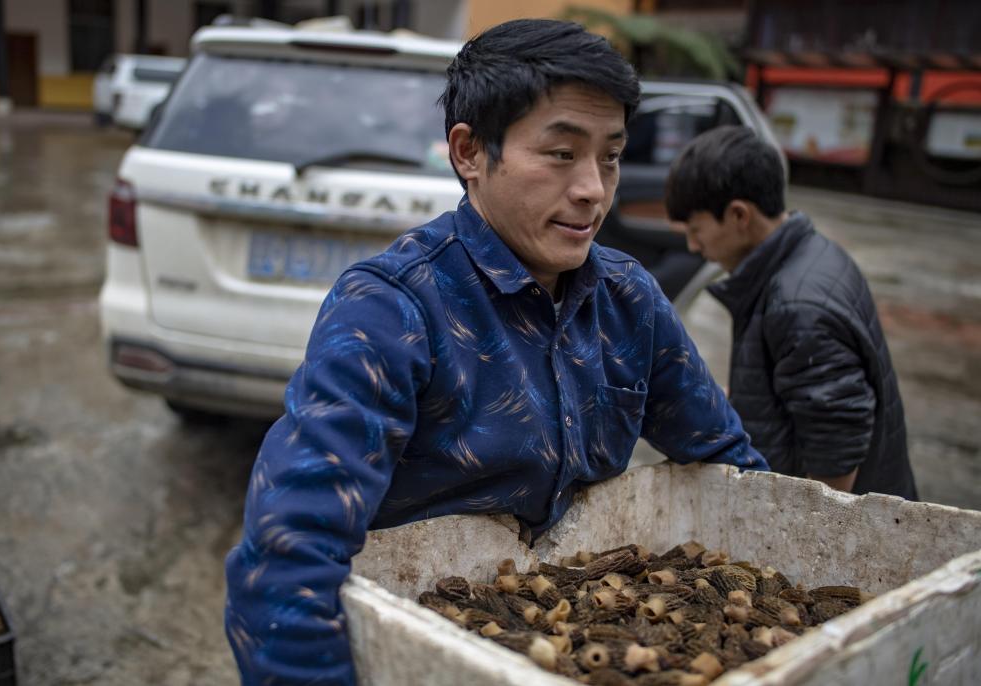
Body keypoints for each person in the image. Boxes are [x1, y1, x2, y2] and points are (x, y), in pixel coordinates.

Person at [225, 20, 768, 685]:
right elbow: (286, 562)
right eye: (562, 154)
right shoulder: (392, 311)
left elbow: (729, 468)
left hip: (568, 644)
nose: (594, 189)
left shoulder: (630, 300)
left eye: (611, 157)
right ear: (470, 153)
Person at [665, 125, 917, 499]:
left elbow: (836, 454)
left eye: (696, 229)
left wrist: (808, 528)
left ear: (739, 215)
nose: (692, 245)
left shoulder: (798, 308)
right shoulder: (811, 254)